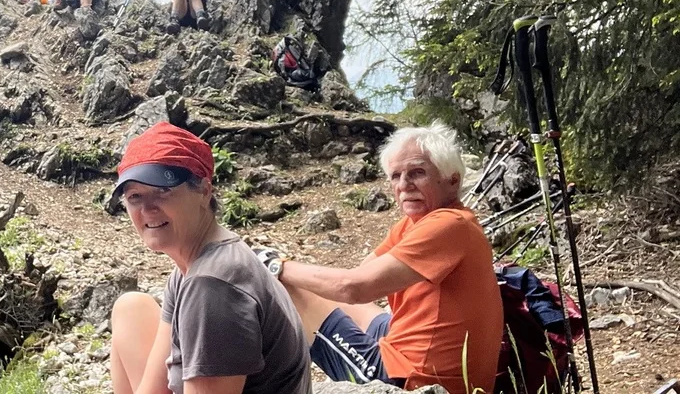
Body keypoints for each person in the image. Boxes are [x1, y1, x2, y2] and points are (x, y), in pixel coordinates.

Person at [265, 122, 503, 393]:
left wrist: (274, 265)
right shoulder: (415, 223)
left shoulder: (450, 224)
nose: (404, 185)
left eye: (417, 173)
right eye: (395, 176)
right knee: (319, 293)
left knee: (289, 289)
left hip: (414, 380)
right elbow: (357, 277)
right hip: (404, 346)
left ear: (452, 180)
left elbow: (354, 287)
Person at [109, 122, 312, 394]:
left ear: (204, 191)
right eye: (135, 196)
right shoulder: (189, 270)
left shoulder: (212, 284)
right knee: (129, 306)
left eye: (163, 191)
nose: (147, 209)